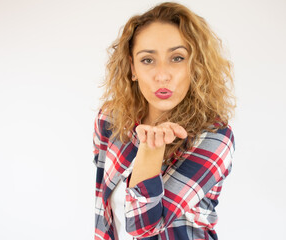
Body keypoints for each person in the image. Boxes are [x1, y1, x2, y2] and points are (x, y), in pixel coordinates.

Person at [92, 2, 236, 239]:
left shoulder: (214, 136)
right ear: (132, 68)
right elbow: (104, 206)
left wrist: (150, 151)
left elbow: (142, 226)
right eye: (148, 60)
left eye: (177, 58)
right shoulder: (110, 118)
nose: (162, 75)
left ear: (195, 66)